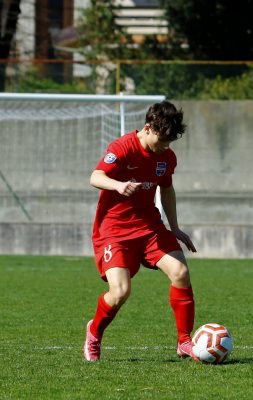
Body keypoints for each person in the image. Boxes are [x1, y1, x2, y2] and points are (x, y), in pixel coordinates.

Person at [83, 101, 198, 362]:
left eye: (169, 142)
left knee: (180, 271)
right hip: (114, 230)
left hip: (149, 227)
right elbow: (95, 176)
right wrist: (117, 185)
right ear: (147, 128)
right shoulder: (122, 148)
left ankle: (184, 342)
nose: (164, 147)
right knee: (120, 292)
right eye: (161, 141)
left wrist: (175, 227)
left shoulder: (167, 157)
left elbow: (166, 190)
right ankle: (94, 333)